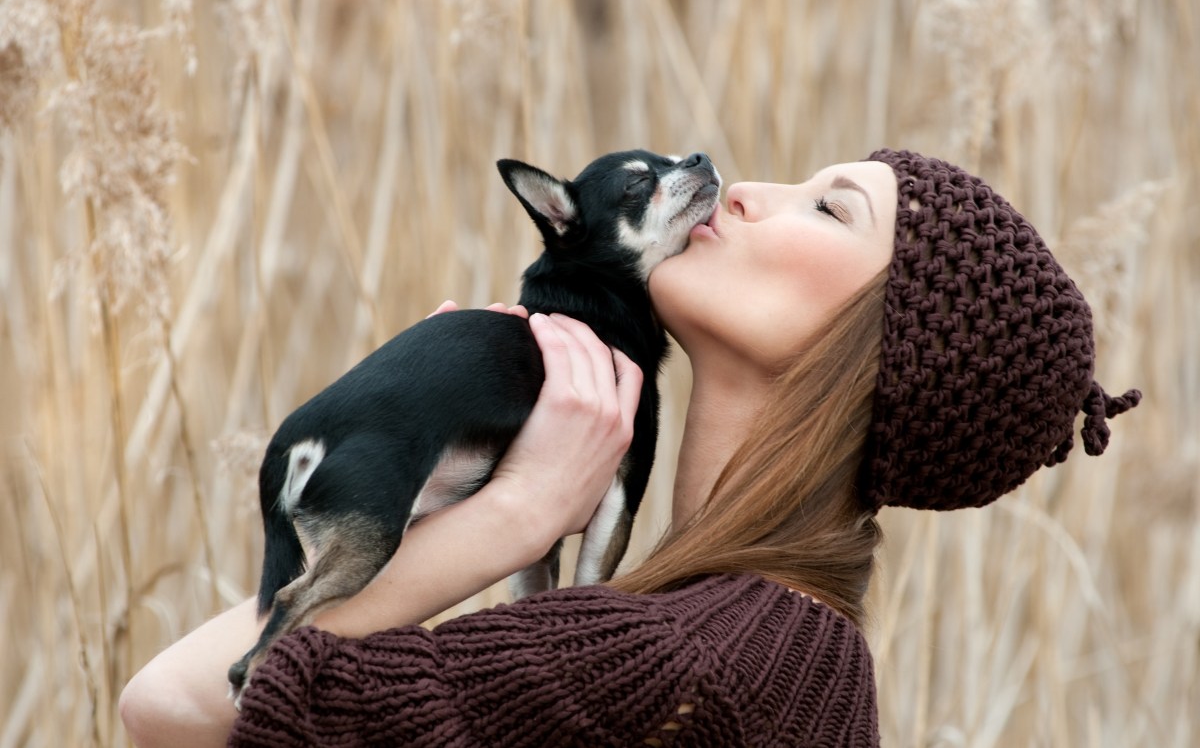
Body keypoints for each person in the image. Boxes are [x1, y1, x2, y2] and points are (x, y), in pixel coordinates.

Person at [119, 149, 1139, 747]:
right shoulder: (793, 656)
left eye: (830, 207)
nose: (745, 189)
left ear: (880, 350)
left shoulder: (681, 661)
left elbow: (176, 705)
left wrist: (515, 515)